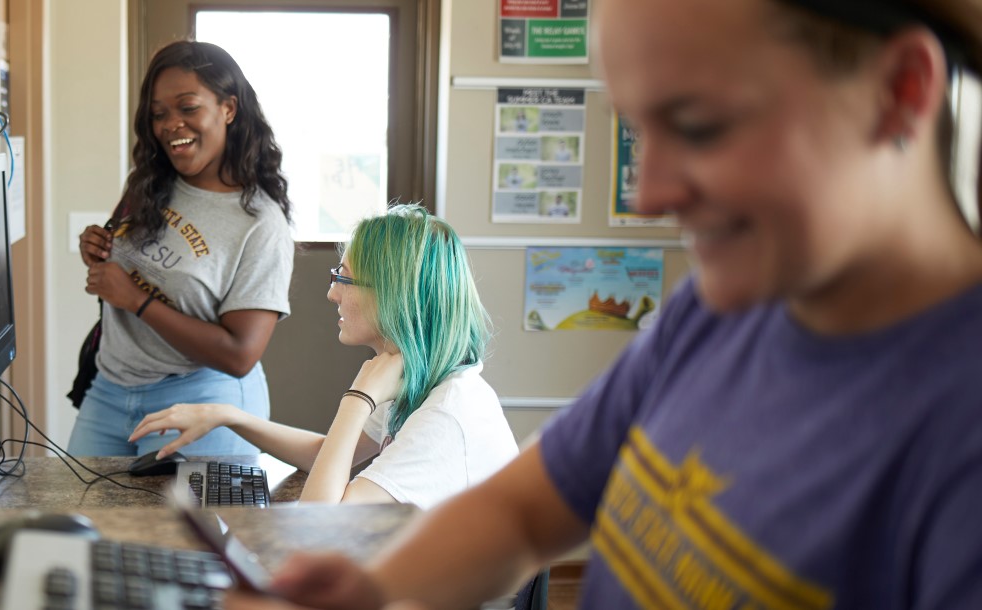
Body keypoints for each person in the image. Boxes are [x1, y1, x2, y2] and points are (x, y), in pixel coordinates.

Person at [228, 0, 982, 608]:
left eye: (698, 126)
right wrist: (375, 589)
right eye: (636, 129)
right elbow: (521, 514)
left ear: (900, 93)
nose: (649, 194)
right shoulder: (713, 318)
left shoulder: (957, 432)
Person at [130, 205, 519, 508]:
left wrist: (359, 399)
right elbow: (326, 454)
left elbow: (321, 522)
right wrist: (229, 416)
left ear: (393, 293)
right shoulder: (427, 381)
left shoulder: (445, 415)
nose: (332, 293)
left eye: (344, 278)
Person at [71, 41, 294, 457]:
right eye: (159, 114)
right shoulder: (148, 182)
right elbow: (129, 266)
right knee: (82, 520)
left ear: (228, 109)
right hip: (109, 390)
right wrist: (98, 247)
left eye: (187, 107)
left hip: (201, 401)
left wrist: (135, 300)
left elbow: (240, 354)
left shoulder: (260, 224)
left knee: (187, 526)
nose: (171, 124)